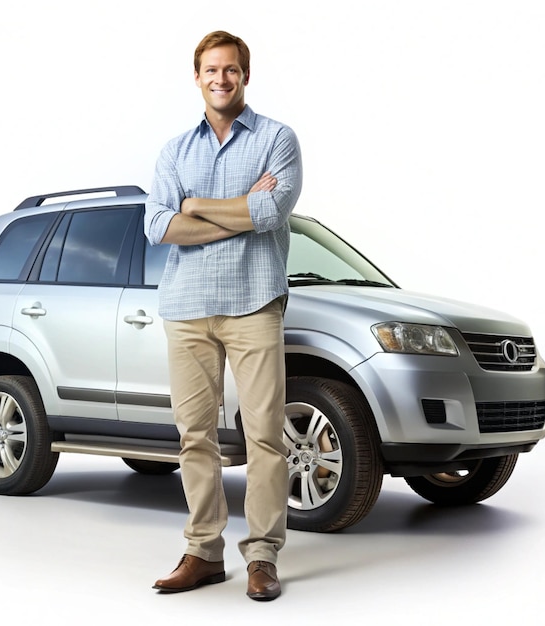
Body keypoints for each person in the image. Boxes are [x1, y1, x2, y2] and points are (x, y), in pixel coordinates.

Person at [144, 30, 303, 601]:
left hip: (254, 302)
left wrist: (194, 207)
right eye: (211, 70)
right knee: (195, 437)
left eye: (231, 70)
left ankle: (262, 557)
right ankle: (204, 552)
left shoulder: (277, 140)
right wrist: (238, 212)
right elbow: (157, 225)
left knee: (264, 436)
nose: (220, 78)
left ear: (245, 75)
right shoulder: (173, 151)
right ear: (197, 76)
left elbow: (273, 209)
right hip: (186, 310)